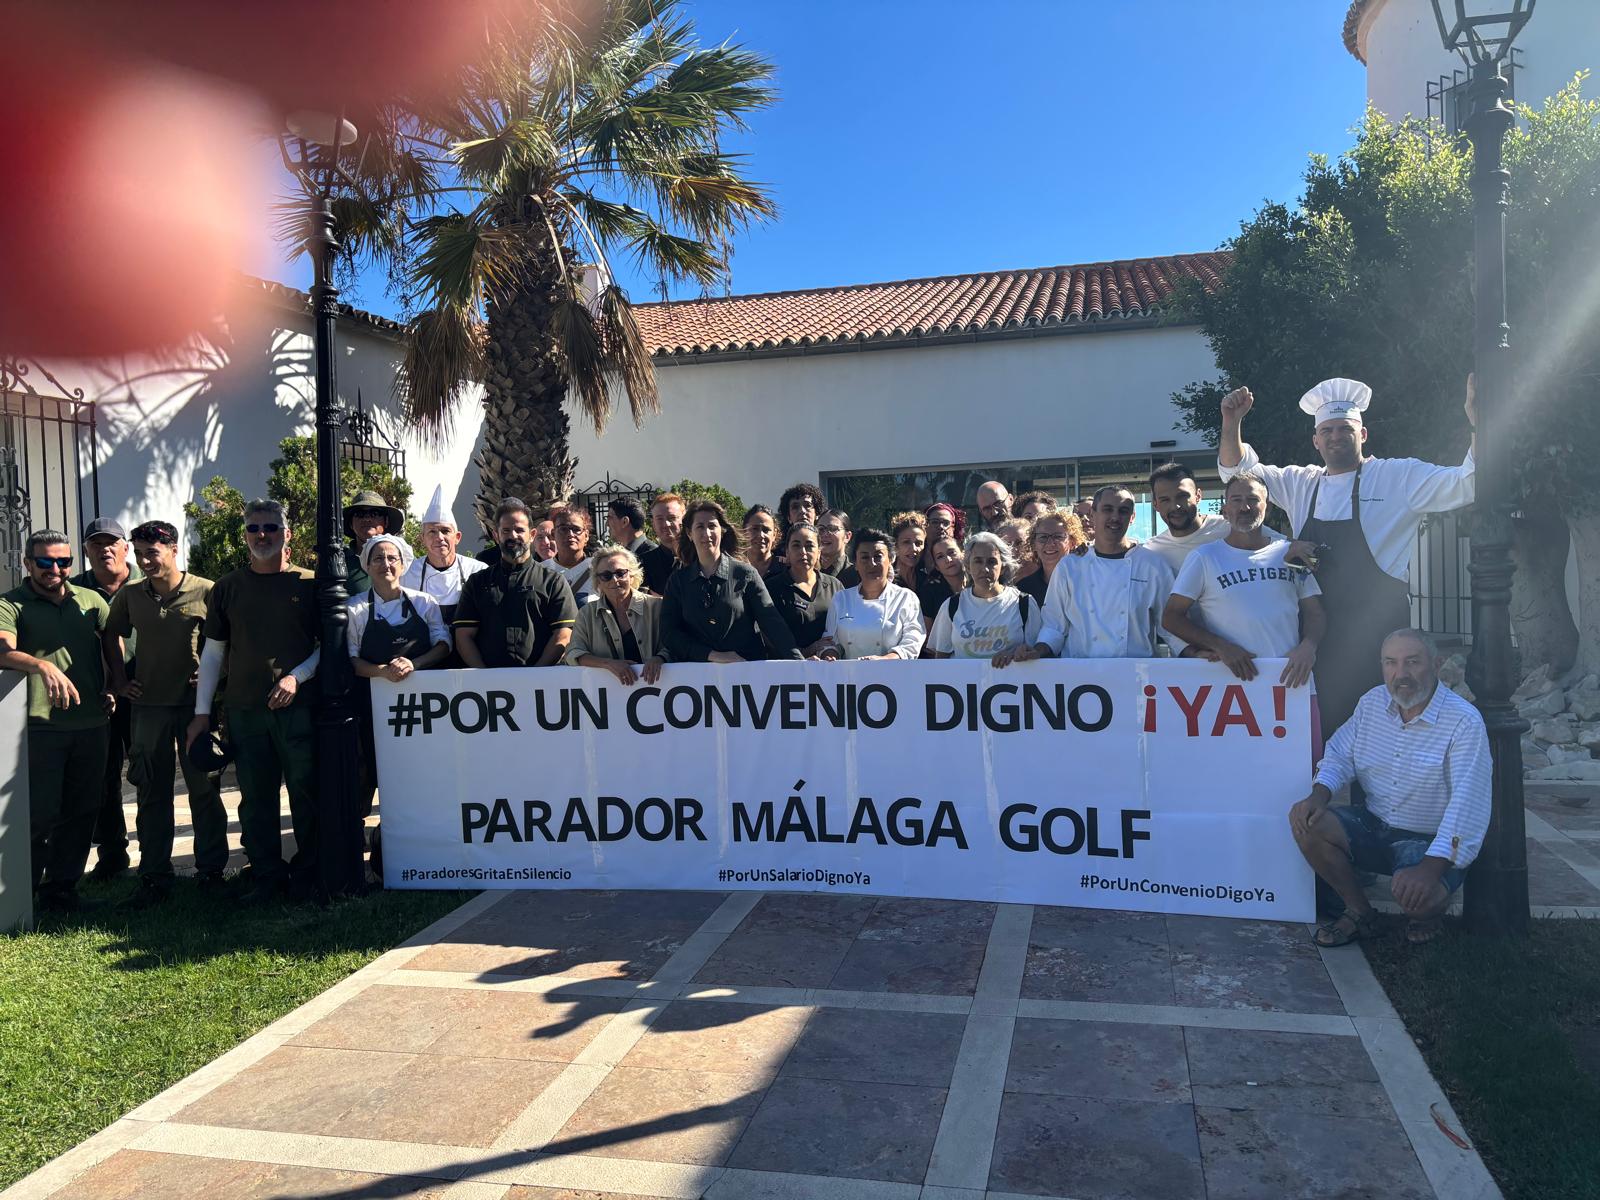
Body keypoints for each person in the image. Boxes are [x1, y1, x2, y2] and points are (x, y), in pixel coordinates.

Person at [1218, 376, 1476, 736]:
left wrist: (1478, 423)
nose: (1335, 437)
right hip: (1316, 636)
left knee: (1385, 727)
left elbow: (1467, 482)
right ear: (1315, 440)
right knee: (1320, 729)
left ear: (1363, 434)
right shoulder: (1301, 483)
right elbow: (1238, 473)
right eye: (1327, 430)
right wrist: (1231, 424)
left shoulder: (1396, 476)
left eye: (1345, 429)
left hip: (1379, 635)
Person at [1290, 628, 1490, 947]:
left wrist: (1430, 868)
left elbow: (1469, 804)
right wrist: (1319, 793)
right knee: (1307, 821)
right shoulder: (1372, 703)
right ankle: (1360, 913)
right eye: (1390, 663)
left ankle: (1430, 911)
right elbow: (1340, 753)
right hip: (1375, 824)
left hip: (1427, 839)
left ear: (1437, 664)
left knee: (1419, 901)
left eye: (1413, 662)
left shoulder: (1463, 721)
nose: (1401, 674)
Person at [187, 500, 320, 904]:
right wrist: (202, 714)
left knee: (306, 792)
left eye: (271, 528)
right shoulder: (228, 587)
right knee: (256, 797)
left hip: (298, 709)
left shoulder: (310, 583)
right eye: (254, 528)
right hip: (244, 711)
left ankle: (311, 874)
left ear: (287, 534)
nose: (262, 535)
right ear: (245, 535)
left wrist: (297, 677)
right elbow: (213, 653)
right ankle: (266, 875)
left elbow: (330, 645)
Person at [101, 520, 226, 907]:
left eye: (152, 553)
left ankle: (211, 873)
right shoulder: (131, 595)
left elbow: (228, 640)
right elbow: (111, 633)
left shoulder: (206, 591)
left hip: (195, 709)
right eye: (139, 554)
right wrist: (120, 680)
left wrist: (215, 676)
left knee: (204, 791)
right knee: (151, 792)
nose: (144, 561)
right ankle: (154, 877)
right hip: (148, 708)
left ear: (173, 549)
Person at [0, 529, 113, 912]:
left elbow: (114, 643)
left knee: (82, 811)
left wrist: (115, 684)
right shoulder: (11, 604)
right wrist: (41, 665)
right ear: (27, 563)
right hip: (39, 728)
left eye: (63, 561)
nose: (54, 569)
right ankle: (20, 895)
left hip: (91, 724)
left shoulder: (90, 600)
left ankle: (62, 890)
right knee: (38, 814)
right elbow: (2, 650)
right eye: (45, 561)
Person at [1162, 475, 1324, 694]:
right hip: (1231, 688)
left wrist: (1309, 647)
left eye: (1253, 499)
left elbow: (1315, 612)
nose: (1244, 507)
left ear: (1268, 507)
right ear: (1225, 509)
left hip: (1291, 684)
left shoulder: (1290, 553)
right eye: (1236, 500)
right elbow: (1171, 617)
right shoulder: (1204, 557)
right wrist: (1221, 646)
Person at [995, 486, 1175, 664]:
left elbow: (1169, 627)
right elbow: (1054, 626)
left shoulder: (1153, 565)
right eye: (1107, 509)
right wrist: (1038, 651)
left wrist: (1189, 653)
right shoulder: (1070, 566)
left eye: (1123, 511)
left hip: (1136, 672)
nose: (1115, 517)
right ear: (1093, 514)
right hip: (1080, 673)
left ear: (1132, 517)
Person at [348, 534, 451, 825]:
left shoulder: (424, 602)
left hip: (420, 710)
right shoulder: (355, 609)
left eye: (392, 558)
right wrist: (382, 671)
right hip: (372, 710)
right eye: (378, 558)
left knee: (418, 774)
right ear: (367, 566)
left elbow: (444, 644)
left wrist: (414, 665)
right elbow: (351, 660)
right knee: (369, 770)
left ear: (403, 564)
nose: (386, 564)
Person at [71, 516, 140, 881]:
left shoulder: (148, 582)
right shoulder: (72, 590)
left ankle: (155, 855)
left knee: (147, 772)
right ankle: (112, 855)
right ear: (86, 551)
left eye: (111, 542)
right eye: (96, 544)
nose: (104, 550)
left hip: (145, 693)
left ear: (125, 547)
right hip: (98, 697)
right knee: (102, 777)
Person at [662, 499, 800, 663]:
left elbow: (773, 623)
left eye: (712, 526)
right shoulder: (678, 581)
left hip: (745, 670)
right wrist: (711, 655)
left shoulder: (745, 574)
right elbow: (669, 634)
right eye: (700, 527)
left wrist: (801, 664)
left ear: (722, 530)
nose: (707, 533)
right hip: (698, 674)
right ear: (689, 533)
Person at [455, 498, 579, 668]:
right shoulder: (477, 582)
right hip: (489, 680)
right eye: (506, 530)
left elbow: (564, 634)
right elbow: (463, 635)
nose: (513, 535)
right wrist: (483, 676)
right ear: (496, 535)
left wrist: (536, 674)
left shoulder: (553, 581)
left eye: (519, 530)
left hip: (541, 680)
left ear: (532, 535)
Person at [1144, 461, 1279, 575]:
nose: (1175, 506)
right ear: (1155, 504)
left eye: (1182, 496)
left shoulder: (1230, 527)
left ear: (1198, 496)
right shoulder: (1152, 550)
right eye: (1165, 500)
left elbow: (1281, 545)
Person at [929, 532, 1043, 662]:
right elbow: (941, 660)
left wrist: (1017, 654)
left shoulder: (1024, 604)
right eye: (978, 561)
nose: (985, 569)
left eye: (992, 562)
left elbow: (1036, 654)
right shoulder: (951, 606)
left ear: (1003, 567)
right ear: (968, 566)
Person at [401, 485, 488, 654]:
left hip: (470, 652)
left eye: (445, 531)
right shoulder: (407, 574)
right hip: (425, 653)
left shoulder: (478, 570)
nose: (439, 537)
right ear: (422, 539)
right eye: (432, 532)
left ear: (457, 537)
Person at [819, 528, 926, 660]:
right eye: (864, 557)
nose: (872, 563)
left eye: (878, 556)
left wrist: (884, 660)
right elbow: (830, 641)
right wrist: (830, 655)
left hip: (893, 671)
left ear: (891, 559)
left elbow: (913, 641)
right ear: (855, 564)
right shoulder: (841, 599)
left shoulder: (905, 598)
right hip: (850, 672)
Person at [567, 546, 666, 685]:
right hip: (606, 692)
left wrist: (659, 658)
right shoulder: (586, 614)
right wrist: (607, 664)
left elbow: (674, 645)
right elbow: (574, 653)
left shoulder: (657, 607)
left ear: (632, 575)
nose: (614, 579)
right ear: (598, 581)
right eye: (606, 576)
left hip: (658, 688)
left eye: (620, 573)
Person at [765, 522, 843, 657]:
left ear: (819, 551)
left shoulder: (835, 586)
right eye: (796, 545)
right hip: (788, 667)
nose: (803, 551)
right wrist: (807, 652)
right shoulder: (772, 588)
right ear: (787, 552)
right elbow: (769, 637)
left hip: (830, 665)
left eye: (809, 546)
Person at [1016, 510, 1084, 605]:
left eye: (1058, 536)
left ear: (1072, 542)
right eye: (1043, 537)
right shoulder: (1023, 589)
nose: (1050, 543)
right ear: (1034, 544)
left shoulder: (1087, 582)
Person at [344, 489, 404, 595]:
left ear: (386, 521)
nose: (367, 519)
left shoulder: (402, 560)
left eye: (375, 513)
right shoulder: (339, 560)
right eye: (360, 514)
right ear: (350, 523)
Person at [608, 496, 671, 595]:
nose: (607, 524)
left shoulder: (653, 556)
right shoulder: (623, 554)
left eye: (610, 518)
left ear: (624, 521)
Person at [541, 503, 599, 605]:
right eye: (563, 529)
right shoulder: (541, 571)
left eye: (576, 529)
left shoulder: (599, 570)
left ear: (586, 536)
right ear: (553, 534)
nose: (570, 534)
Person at [917, 533, 966, 641]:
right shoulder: (930, 592)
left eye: (952, 552)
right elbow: (928, 634)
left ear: (963, 554)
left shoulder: (977, 584)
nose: (948, 559)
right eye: (940, 557)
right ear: (936, 566)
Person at [776, 482, 827, 548]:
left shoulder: (827, 544)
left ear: (817, 513)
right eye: (795, 507)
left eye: (808, 505)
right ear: (788, 517)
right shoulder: (778, 550)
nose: (802, 511)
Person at [817, 509, 858, 586]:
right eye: (821, 529)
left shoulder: (857, 575)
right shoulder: (807, 572)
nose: (825, 534)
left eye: (832, 529)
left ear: (847, 536)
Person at [890, 511, 927, 590]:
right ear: (895, 546)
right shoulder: (886, 581)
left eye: (918, 543)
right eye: (906, 542)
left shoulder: (927, 581)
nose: (913, 548)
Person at [741, 504, 780, 578]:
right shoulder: (733, 568)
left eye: (766, 530)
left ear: (774, 535)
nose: (761, 535)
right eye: (755, 529)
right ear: (744, 531)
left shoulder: (785, 570)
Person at [650, 492, 687, 564]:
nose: (666, 524)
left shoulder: (700, 557)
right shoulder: (643, 564)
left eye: (672, 518)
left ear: (684, 519)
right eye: (660, 519)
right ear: (653, 524)